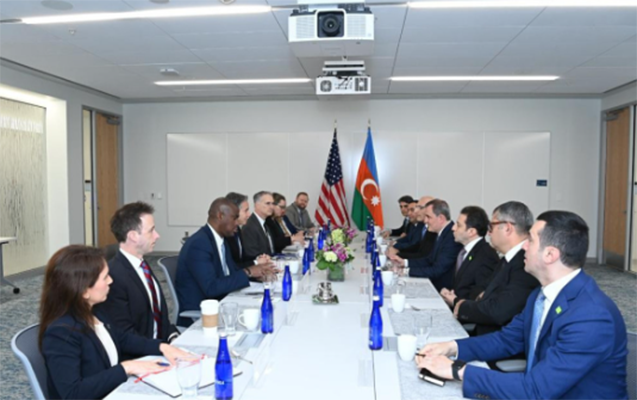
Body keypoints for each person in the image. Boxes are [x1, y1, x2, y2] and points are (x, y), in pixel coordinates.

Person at [418, 211, 628, 400]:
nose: (524, 246)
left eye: (531, 240)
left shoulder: (591, 317)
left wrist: (457, 370)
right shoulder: (541, 294)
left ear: (550, 254)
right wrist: (452, 347)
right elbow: (507, 339)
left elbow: (536, 390)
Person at [40, 245, 189, 400]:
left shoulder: (95, 310)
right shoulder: (61, 333)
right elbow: (73, 393)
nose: (111, 281)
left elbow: (122, 339)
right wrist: (126, 368)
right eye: (105, 277)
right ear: (84, 290)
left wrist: (161, 346)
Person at [176, 198, 274, 326]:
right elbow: (211, 288)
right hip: (203, 314)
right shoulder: (199, 244)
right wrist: (248, 272)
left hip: (223, 302)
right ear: (220, 216)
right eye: (234, 218)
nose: (237, 223)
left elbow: (231, 272)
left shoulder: (221, 239)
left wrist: (256, 274)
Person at [95, 202, 178, 352]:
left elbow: (157, 314)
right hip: (141, 356)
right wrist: (162, 348)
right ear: (133, 236)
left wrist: (173, 336)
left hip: (160, 346)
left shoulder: (142, 265)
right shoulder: (114, 277)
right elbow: (125, 336)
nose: (157, 235)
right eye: (151, 231)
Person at [454, 201, 540, 336]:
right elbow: (481, 290)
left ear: (507, 228)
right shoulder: (507, 259)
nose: (488, 233)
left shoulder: (525, 263)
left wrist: (462, 306)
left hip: (498, 340)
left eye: (491, 226)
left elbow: (499, 311)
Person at [392, 199, 463, 291]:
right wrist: (404, 262)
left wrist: (406, 271)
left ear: (441, 218)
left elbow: (437, 270)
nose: (425, 221)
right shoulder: (442, 233)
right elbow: (429, 260)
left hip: (441, 290)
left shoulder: (451, 237)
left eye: (428, 217)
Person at [440, 206, 499, 308]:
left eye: (458, 225)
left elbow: (481, 295)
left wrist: (455, 300)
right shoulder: (464, 251)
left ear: (471, 232)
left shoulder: (486, 256)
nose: (453, 228)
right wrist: (450, 294)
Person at [225, 192, 273, 269]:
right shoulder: (225, 234)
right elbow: (231, 267)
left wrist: (259, 258)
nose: (249, 214)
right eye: (245, 211)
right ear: (234, 211)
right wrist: (256, 262)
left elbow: (243, 258)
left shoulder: (238, 230)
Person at [388, 196, 437, 260]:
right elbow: (416, 246)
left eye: (419, 208)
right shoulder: (415, 225)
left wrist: (398, 252)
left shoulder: (428, 228)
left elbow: (417, 248)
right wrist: (395, 245)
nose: (416, 211)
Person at [242, 191, 277, 259]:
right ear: (257, 205)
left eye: (273, 203)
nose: (272, 207)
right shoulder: (249, 226)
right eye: (268, 203)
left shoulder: (265, 223)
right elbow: (252, 255)